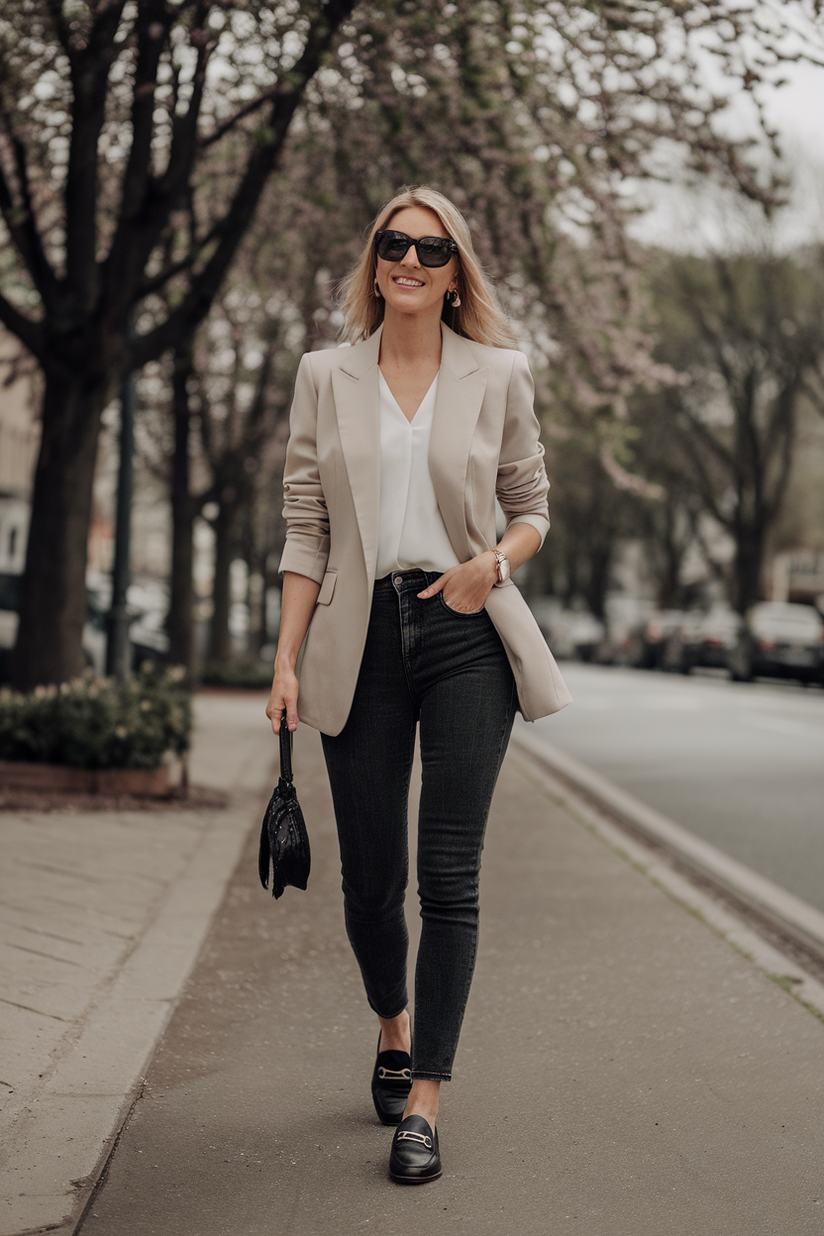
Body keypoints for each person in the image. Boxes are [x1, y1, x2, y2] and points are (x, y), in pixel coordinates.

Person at [266, 186, 571, 1184]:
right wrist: (283, 658)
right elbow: (305, 525)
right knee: (367, 887)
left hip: (463, 629)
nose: (408, 259)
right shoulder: (325, 374)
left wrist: (496, 564)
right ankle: (389, 1024)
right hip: (356, 640)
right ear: (374, 260)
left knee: (449, 875)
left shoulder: (498, 373)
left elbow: (529, 503)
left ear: (454, 271)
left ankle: (426, 1099)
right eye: (392, 244)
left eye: (430, 249)